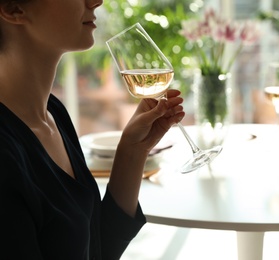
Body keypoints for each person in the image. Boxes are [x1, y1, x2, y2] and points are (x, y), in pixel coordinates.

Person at [0, 0, 185, 259]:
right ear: (13, 9)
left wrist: (133, 151)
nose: (96, 1)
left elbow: (96, 248)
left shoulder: (54, 114)